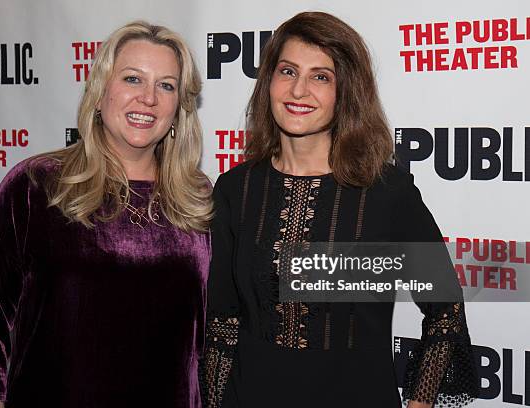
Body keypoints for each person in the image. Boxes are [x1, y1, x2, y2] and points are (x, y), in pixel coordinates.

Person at [201, 12, 478, 408]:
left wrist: (419, 403)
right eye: (287, 71)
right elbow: (223, 326)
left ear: (345, 91)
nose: (299, 90)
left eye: (321, 76)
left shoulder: (387, 193)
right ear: (268, 82)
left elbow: (445, 312)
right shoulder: (235, 189)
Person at [0, 21, 212, 408]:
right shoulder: (34, 186)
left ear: (179, 109)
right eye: (132, 79)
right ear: (100, 92)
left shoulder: (198, 199)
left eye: (166, 85)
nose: (148, 99)